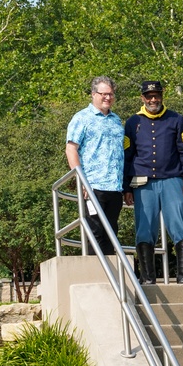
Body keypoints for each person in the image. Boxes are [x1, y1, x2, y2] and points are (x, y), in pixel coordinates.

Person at [122, 81, 183, 284]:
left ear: (162, 96)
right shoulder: (132, 122)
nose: (153, 99)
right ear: (142, 98)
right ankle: (148, 279)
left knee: (180, 226)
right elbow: (126, 157)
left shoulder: (177, 119)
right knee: (145, 228)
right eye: (149, 96)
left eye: (156, 95)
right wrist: (126, 187)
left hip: (172, 179)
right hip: (143, 183)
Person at [66, 76, 126, 255]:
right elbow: (71, 150)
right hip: (93, 186)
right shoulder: (82, 118)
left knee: (111, 233)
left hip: (115, 187)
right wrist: (82, 181)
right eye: (104, 94)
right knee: (95, 233)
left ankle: (110, 281)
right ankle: (96, 277)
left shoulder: (116, 120)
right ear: (93, 94)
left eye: (111, 94)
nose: (108, 98)